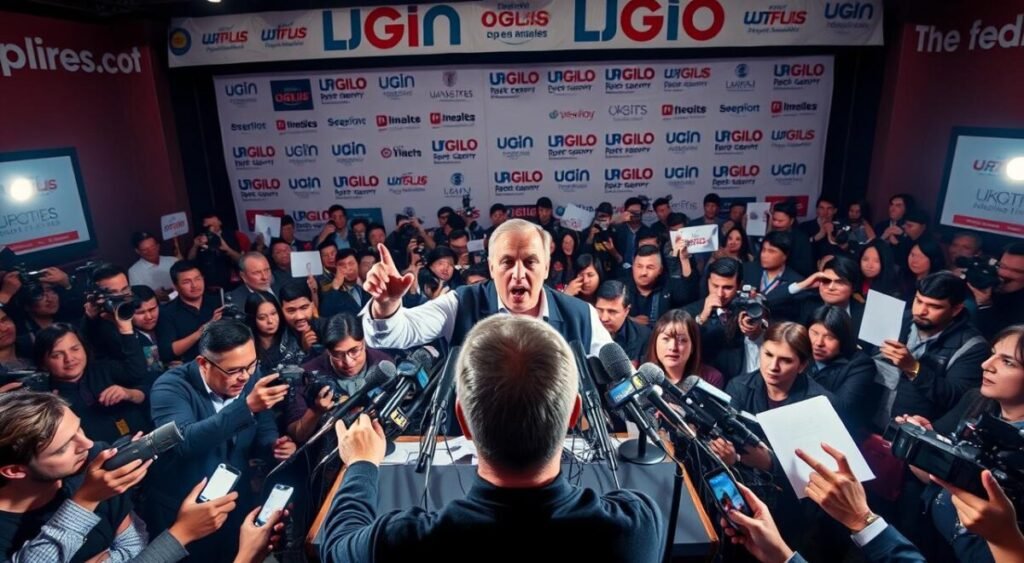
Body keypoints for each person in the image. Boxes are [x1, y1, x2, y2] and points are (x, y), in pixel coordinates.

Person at [321, 315, 665, 562]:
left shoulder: (406, 540)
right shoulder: (638, 524)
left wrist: (362, 463)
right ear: (574, 414)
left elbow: (337, 544)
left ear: (464, 421)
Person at [146, 319, 296, 560]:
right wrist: (246, 408)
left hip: (236, 505)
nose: (245, 377)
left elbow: (264, 426)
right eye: (234, 370)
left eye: (251, 365)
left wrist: (274, 446)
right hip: (186, 512)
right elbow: (184, 441)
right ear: (203, 363)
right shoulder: (170, 387)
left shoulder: (250, 374)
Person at [361, 219, 614, 355]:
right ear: (491, 268)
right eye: (507, 262)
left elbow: (621, 378)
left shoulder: (581, 316)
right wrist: (386, 305)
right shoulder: (461, 304)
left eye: (530, 262)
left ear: (546, 267)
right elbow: (395, 334)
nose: (518, 274)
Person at [897, 324, 1024, 563]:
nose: (987, 365)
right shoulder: (975, 400)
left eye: (1008, 362)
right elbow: (936, 477)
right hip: (933, 539)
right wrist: (924, 443)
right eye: (992, 354)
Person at [0, 392, 150, 561]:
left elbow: (134, 544)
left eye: (78, 428)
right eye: (63, 448)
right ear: (14, 471)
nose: (87, 444)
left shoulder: (93, 460)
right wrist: (86, 500)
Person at [879, 272, 989, 421]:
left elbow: (956, 399)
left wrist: (913, 368)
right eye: (918, 301)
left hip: (912, 429)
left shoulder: (972, 347)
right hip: (871, 416)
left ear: (956, 309)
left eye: (934, 306)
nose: (921, 311)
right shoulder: (902, 319)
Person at [32, 322, 151, 444]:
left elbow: (144, 384)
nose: (69, 359)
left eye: (75, 349)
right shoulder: (44, 396)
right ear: (43, 363)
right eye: (57, 355)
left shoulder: (104, 369)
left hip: (145, 441)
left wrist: (129, 394)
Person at [287, 314, 392, 443]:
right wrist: (316, 411)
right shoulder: (307, 375)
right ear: (328, 351)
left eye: (354, 351)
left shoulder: (383, 365)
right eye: (338, 354)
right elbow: (298, 436)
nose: (348, 362)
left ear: (363, 343)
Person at [685, 257, 766, 381]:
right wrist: (701, 319)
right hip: (704, 381)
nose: (720, 293)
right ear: (708, 282)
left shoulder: (748, 310)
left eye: (727, 287)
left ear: (740, 285)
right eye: (715, 286)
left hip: (739, 381)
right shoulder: (690, 312)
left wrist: (755, 329)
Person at [807, 305, 881, 435]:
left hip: (834, 433)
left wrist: (800, 377)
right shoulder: (800, 350)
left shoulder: (861, 365)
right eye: (814, 333)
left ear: (843, 340)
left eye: (829, 337)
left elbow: (842, 409)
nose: (818, 343)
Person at [769, 253, 866, 332]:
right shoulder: (807, 304)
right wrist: (803, 284)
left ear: (853, 287)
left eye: (840, 282)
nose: (831, 287)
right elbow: (768, 303)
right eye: (826, 281)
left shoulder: (864, 314)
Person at [156, 260, 223, 363]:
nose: (194, 285)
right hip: (191, 367)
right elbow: (168, 352)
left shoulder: (218, 302)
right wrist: (201, 332)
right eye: (186, 282)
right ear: (175, 286)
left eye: (198, 279)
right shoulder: (167, 312)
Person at [646, 309, 724, 389]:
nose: (673, 347)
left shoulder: (710, 379)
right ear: (655, 342)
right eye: (666, 339)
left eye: (682, 340)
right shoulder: (645, 375)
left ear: (693, 346)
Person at [622, 245, 696, 326]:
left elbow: (688, 296)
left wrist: (684, 260)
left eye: (650, 267)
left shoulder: (668, 285)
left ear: (660, 270)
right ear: (633, 267)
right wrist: (629, 320)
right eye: (639, 266)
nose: (643, 272)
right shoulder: (620, 287)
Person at [743, 231, 805, 313]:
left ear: (785, 256)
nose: (764, 255)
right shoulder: (747, 270)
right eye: (763, 250)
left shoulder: (795, 281)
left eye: (771, 251)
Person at [973, 242, 1024, 339]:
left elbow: (1005, 339)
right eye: (1002, 266)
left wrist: (985, 305)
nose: (1005, 274)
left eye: (1016, 271)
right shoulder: (986, 282)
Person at [594, 281, 650, 366]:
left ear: (626, 310)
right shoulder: (583, 332)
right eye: (600, 310)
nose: (604, 318)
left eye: (612, 311)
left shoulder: (644, 336)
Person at [188, 212, 243, 291]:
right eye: (208, 225)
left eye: (213, 225)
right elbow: (190, 260)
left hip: (227, 281)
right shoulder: (200, 236)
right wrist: (195, 246)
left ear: (219, 222)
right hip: (206, 282)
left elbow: (240, 260)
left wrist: (227, 249)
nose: (211, 228)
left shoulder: (229, 235)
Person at [277, 280, 327, 363]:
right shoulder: (278, 335)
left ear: (312, 305)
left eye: (304, 308)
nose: (299, 316)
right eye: (291, 310)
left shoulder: (328, 328)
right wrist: (305, 351)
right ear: (281, 310)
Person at [768, 199, 815, 276]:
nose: (776, 224)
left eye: (780, 221)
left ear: (791, 221)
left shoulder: (801, 239)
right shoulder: (771, 236)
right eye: (774, 219)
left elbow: (806, 268)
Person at [127, 231, 179, 299]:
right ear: (138, 251)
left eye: (153, 247)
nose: (150, 251)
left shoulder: (173, 260)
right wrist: (153, 294)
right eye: (145, 249)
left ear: (158, 246)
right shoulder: (134, 271)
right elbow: (138, 296)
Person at [320, 248, 369, 318]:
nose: (348, 268)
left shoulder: (366, 287)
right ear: (336, 268)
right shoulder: (331, 293)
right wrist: (335, 286)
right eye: (342, 265)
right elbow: (325, 315)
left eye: (351, 263)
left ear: (358, 264)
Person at [244, 291, 285, 368]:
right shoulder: (245, 345)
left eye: (273, 313)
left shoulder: (289, 338)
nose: (270, 321)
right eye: (262, 318)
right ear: (252, 319)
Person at [130, 285, 163, 375]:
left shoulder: (168, 322)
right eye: (140, 313)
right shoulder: (128, 338)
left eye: (152, 309)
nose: (149, 317)